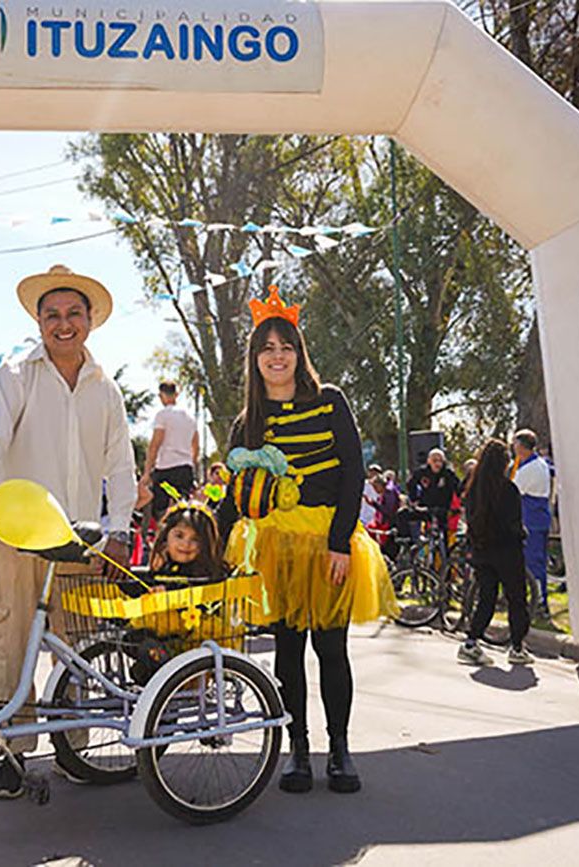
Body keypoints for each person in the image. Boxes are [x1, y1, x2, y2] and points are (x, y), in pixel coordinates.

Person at [0, 264, 136, 800]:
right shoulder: (16, 375)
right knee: (10, 638)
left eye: (73, 314)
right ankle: (11, 753)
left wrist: (121, 528)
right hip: (17, 531)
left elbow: (121, 463)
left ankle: (74, 747)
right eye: (52, 315)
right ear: (39, 322)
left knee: (78, 643)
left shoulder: (105, 390)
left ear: (89, 321)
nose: (63, 324)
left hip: (79, 538)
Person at [216, 286, 396, 797]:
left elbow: (353, 472)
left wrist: (341, 541)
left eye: (286, 346)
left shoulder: (329, 401)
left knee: (332, 650)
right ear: (255, 359)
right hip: (277, 551)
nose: (277, 356)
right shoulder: (246, 424)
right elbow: (233, 499)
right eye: (267, 348)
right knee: (287, 654)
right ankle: (297, 750)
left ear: (299, 352)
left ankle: (339, 751)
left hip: (330, 547)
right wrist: (203, 532)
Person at [457, 439, 533, 666]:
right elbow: (513, 524)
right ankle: (517, 647)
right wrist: (522, 534)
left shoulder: (473, 490)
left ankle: (471, 642)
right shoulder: (508, 489)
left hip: (482, 552)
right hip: (508, 551)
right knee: (516, 599)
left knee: (486, 599)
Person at [141, 381, 199, 519]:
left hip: (166, 469)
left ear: (161, 395)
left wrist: (147, 472)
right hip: (185, 468)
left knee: (161, 511)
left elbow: (155, 444)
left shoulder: (162, 415)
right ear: (176, 394)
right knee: (183, 509)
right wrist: (192, 465)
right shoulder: (190, 418)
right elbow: (196, 446)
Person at [512, 429, 553, 616]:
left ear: (521, 447)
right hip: (540, 517)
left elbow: (514, 491)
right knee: (537, 561)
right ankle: (538, 598)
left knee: (533, 562)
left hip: (531, 518)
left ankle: (540, 602)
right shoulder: (540, 463)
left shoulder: (529, 469)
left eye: (515, 444)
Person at [148, 500, 222, 582]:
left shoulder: (212, 578)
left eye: (195, 539)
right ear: (165, 536)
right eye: (179, 536)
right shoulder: (157, 571)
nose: (186, 544)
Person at [407, 448, 460, 540]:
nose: (437, 463)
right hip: (425, 507)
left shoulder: (448, 473)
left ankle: (444, 551)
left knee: (443, 533)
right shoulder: (421, 472)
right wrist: (414, 499)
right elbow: (411, 484)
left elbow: (458, 488)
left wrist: (459, 506)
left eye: (440, 461)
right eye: (434, 460)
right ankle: (408, 542)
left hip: (443, 508)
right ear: (428, 461)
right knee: (402, 514)